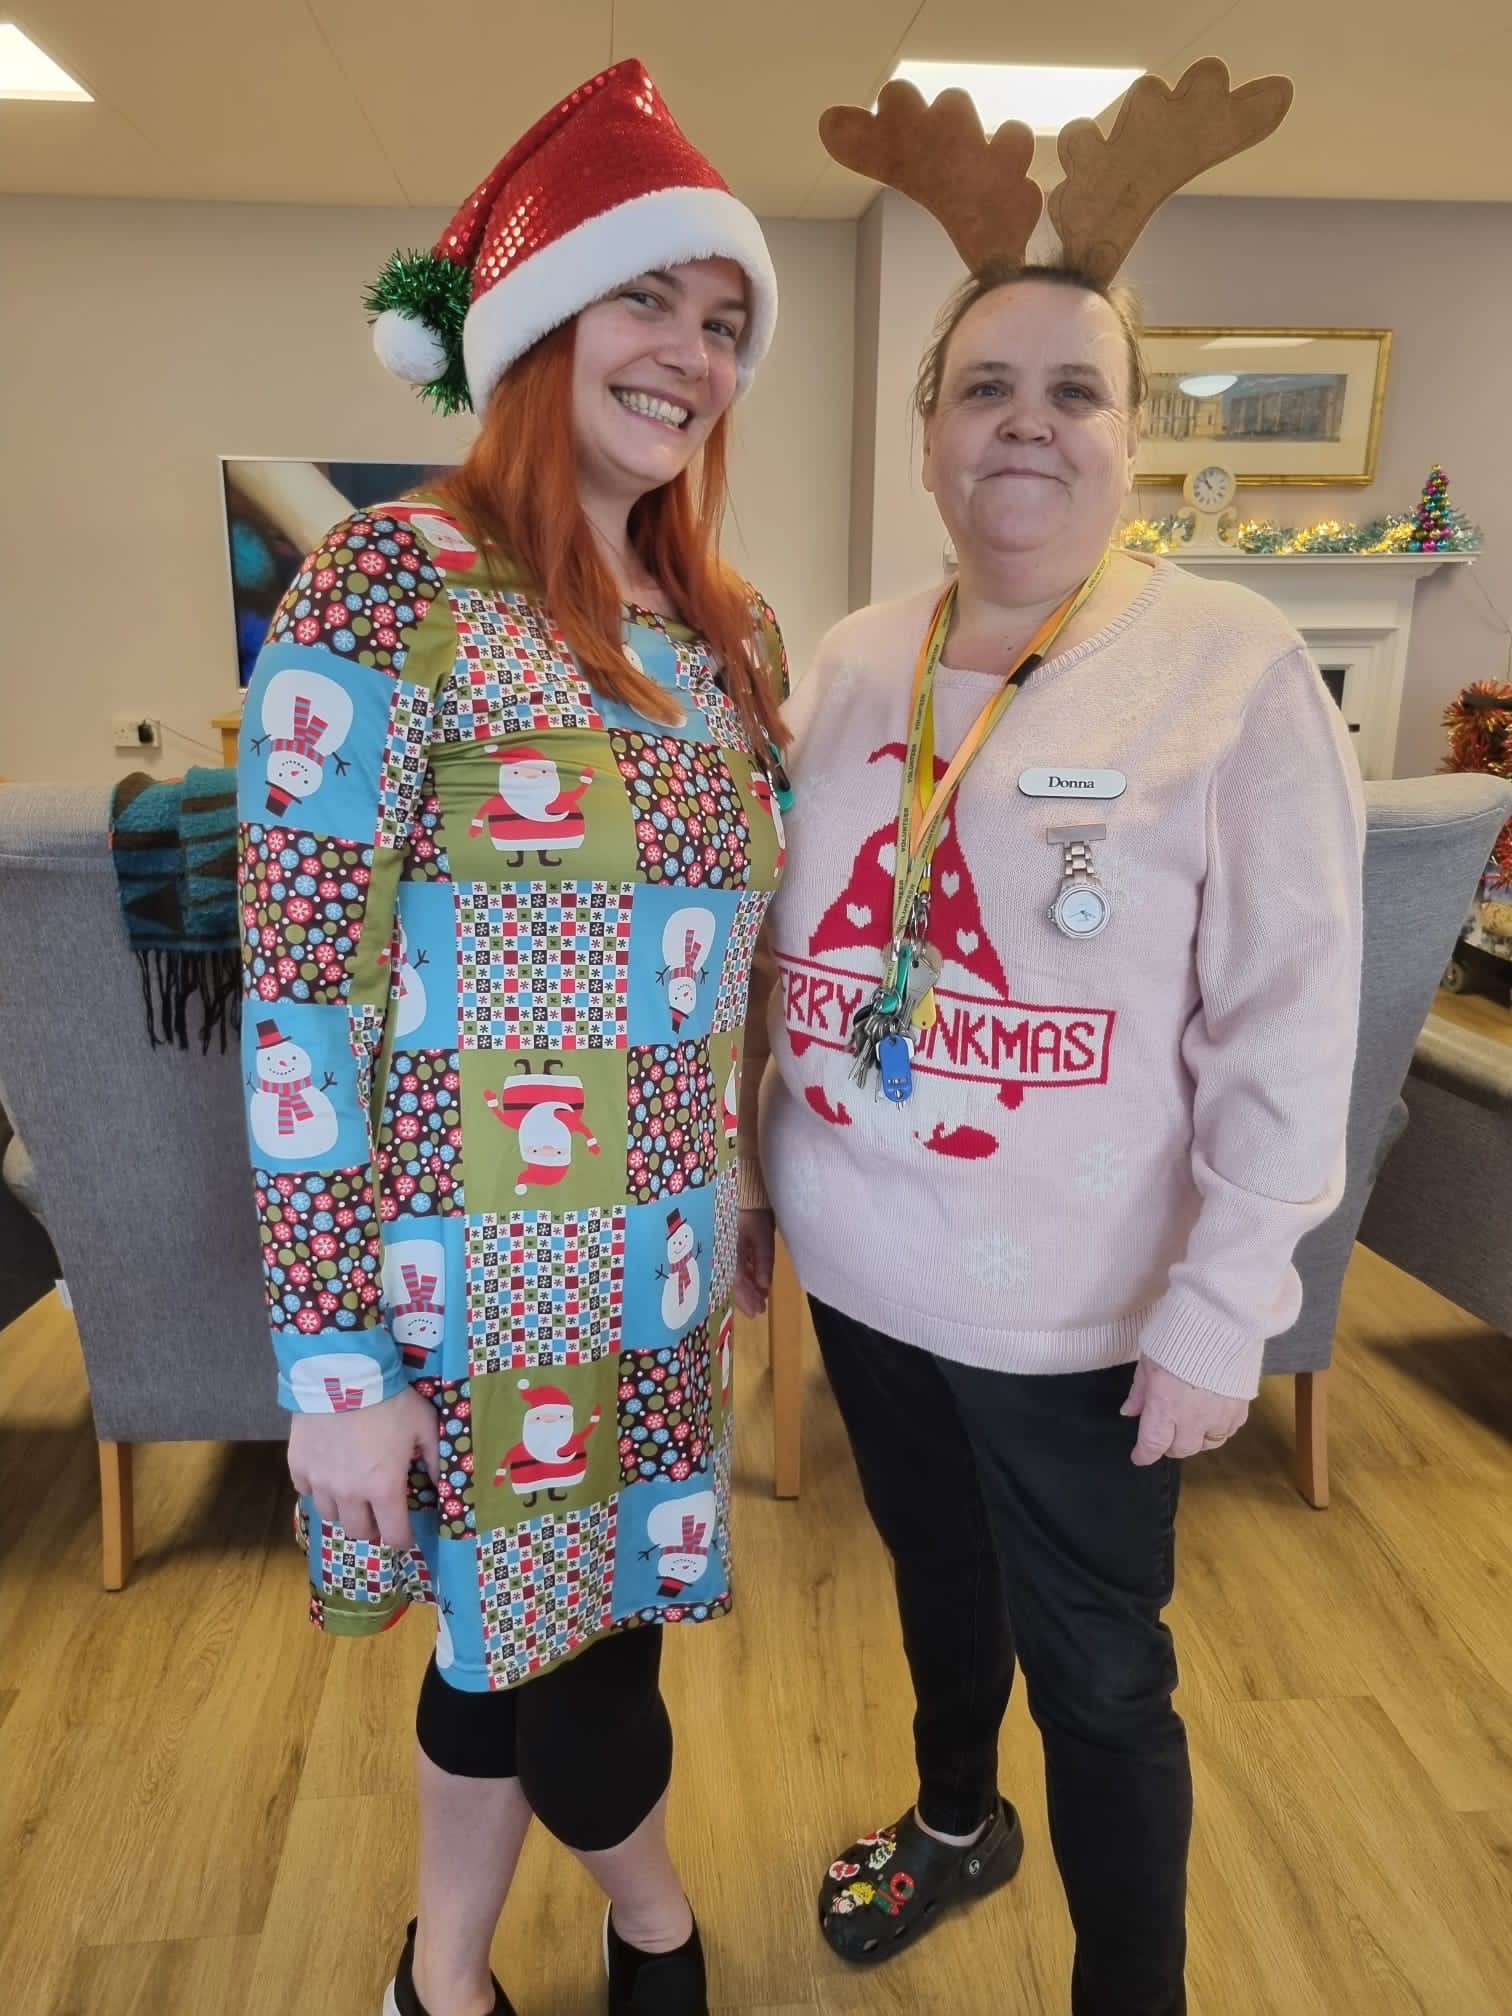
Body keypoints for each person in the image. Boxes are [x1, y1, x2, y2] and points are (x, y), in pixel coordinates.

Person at [737, 63, 1362, 2016]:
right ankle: (952, 1822)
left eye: (1073, 389)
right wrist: (764, 1192)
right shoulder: (853, 660)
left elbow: (1289, 1017)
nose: (1027, 421)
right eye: (985, 387)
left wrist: (1224, 1300)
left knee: (1102, 1674)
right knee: (936, 1583)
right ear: (925, 433)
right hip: (866, 1271)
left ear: (1132, 439)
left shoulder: (1231, 671)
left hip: (1087, 1318)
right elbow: (790, 961)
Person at [236, 60, 788, 2016]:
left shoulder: (729, 625)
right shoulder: (390, 586)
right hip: (461, 1288)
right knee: (554, 1673)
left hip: (653, 1274)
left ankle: (441, 1980)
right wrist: (330, 1361)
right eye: (655, 299)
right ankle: (648, 1929)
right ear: (541, 319)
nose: (694, 354)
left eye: (726, 324)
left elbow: (727, 972)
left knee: (530, 1651)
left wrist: (741, 1199)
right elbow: (298, 986)